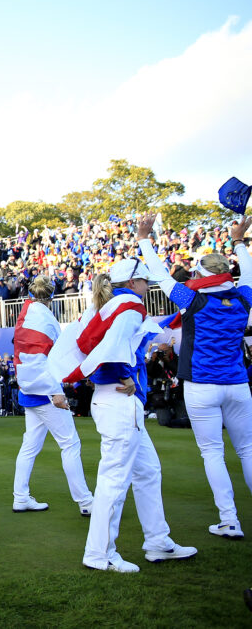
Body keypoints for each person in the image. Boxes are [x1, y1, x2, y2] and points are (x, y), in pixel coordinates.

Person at [49, 258, 197, 573]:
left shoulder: (111, 308)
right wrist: (125, 374)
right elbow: (113, 350)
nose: (148, 285)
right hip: (118, 399)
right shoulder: (128, 307)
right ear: (132, 283)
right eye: (144, 280)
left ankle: (158, 542)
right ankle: (99, 554)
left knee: (148, 472)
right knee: (114, 480)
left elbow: (129, 338)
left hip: (113, 401)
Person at [138, 214, 252, 539]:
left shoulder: (194, 298)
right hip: (238, 384)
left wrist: (145, 238)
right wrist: (240, 241)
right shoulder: (244, 297)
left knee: (213, 452)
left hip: (202, 385)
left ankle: (229, 520)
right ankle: (230, 519)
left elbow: (160, 276)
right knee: (248, 450)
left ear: (201, 274)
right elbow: (250, 274)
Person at [10, 275, 94, 515]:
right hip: (45, 393)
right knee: (69, 444)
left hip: (31, 392)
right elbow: (40, 360)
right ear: (51, 296)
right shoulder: (42, 318)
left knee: (30, 446)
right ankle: (86, 502)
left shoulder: (28, 314)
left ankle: (21, 497)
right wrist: (56, 392)